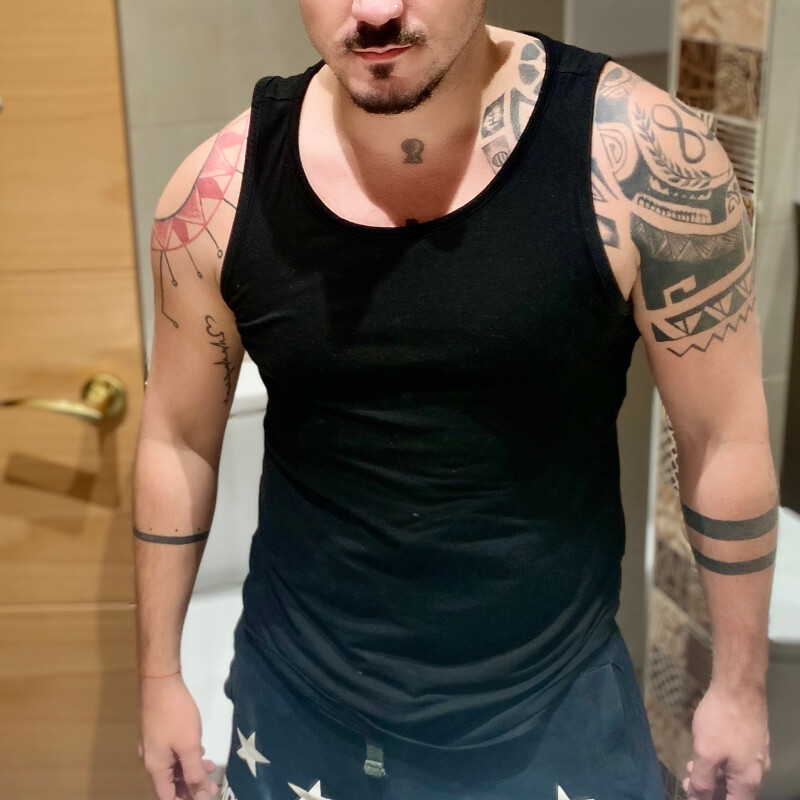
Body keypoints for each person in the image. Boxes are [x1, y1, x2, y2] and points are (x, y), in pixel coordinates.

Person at [132, 2, 779, 799]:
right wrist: (158, 675)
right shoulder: (217, 194)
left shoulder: (641, 159)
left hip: (552, 710)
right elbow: (176, 439)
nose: (374, 9)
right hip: (298, 709)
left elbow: (723, 439)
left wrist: (740, 687)